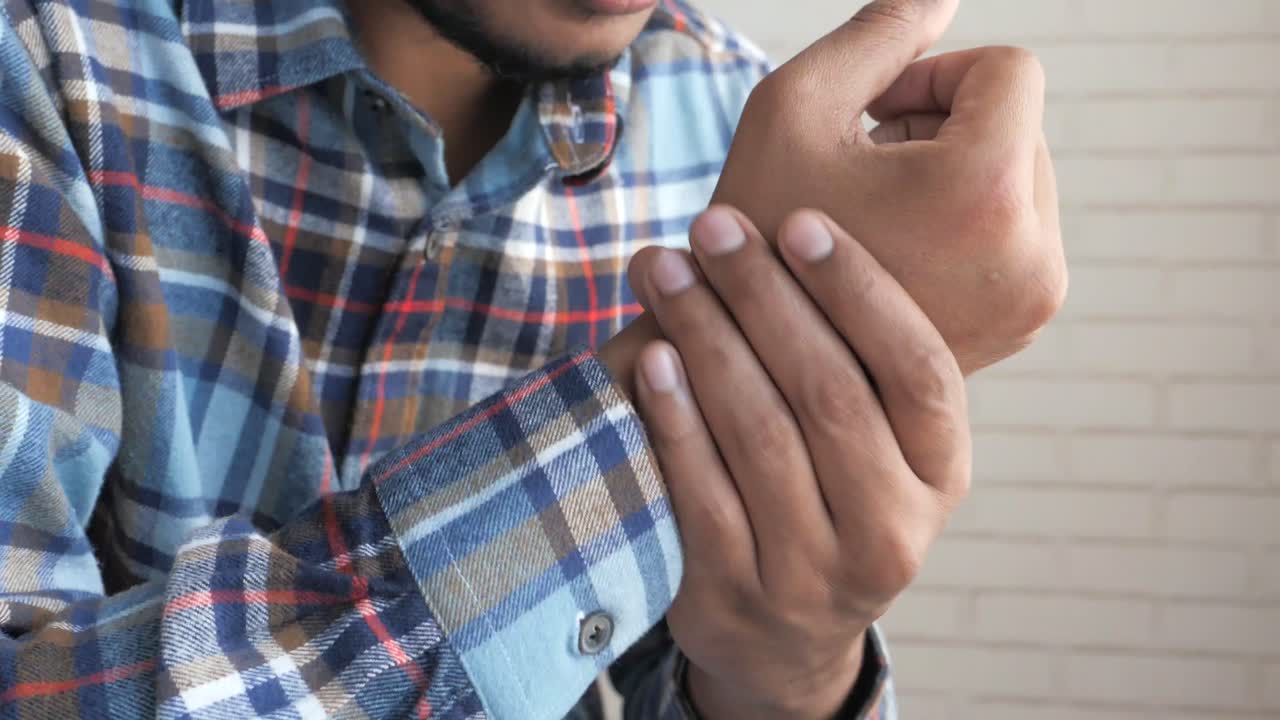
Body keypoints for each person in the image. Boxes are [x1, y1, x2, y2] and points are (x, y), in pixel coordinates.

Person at [0, 0, 1063, 717]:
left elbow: (718, 666)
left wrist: (793, 669)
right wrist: (712, 370)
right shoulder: (45, 58)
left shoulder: (734, 120)